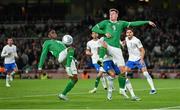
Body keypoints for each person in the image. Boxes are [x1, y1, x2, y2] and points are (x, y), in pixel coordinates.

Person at [92, 8, 156, 98]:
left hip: (117, 49)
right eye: (110, 13)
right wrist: (104, 32)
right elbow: (94, 28)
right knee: (104, 43)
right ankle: (100, 60)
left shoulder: (121, 23)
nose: (111, 15)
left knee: (123, 72)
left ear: (117, 15)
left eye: (113, 13)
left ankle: (122, 89)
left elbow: (134, 23)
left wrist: (147, 22)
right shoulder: (105, 22)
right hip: (108, 46)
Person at [38, 29, 78, 101]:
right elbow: (43, 54)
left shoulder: (61, 42)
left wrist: (74, 59)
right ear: (49, 36)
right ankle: (68, 68)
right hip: (60, 56)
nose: (54, 33)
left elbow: (68, 52)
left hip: (68, 59)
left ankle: (63, 94)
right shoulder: (47, 42)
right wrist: (40, 67)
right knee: (71, 48)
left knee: (75, 79)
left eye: (55, 32)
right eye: (52, 33)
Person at [124, 28, 156, 94]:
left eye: (130, 32)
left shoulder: (136, 40)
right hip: (130, 60)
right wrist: (122, 43)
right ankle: (124, 89)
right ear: (126, 34)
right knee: (124, 74)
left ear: (133, 33)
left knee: (145, 74)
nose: (129, 34)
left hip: (138, 59)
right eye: (127, 32)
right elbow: (124, 42)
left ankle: (153, 89)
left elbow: (143, 50)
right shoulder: (126, 38)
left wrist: (141, 59)